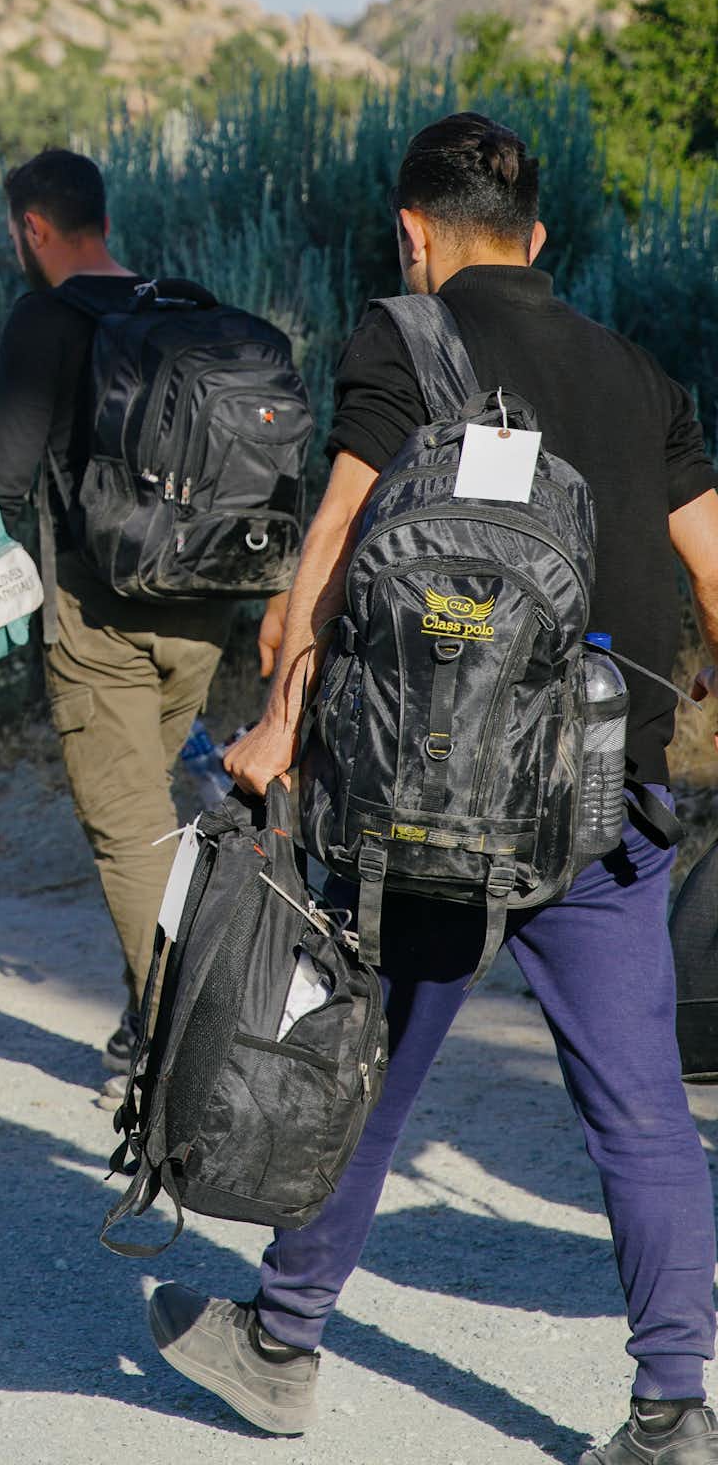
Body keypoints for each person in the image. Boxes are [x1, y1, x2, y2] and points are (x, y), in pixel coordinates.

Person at [154, 113, 718, 1465]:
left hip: (429, 806)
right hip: (607, 795)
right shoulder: (639, 374)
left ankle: (283, 1344)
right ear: (541, 241)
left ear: (415, 235)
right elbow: (713, 569)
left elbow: (338, 547)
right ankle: (675, 1407)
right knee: (641, 1109)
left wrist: (278, 722)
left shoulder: (404, 342)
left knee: (369, 1074)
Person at [0, 147, 238, 1082]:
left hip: (98, 619)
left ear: (33, 229)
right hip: (205, 609)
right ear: (106, 224)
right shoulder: (190, 304)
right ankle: (145, 1032)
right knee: (154, 820)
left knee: (129, 834)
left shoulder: (43, 318)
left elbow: (5, 478)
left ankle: (193, 1048)